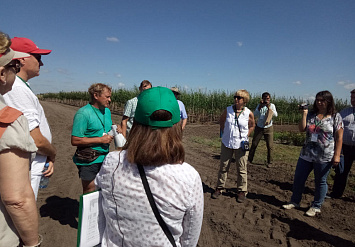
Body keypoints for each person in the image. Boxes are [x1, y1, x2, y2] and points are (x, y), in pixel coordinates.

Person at [95, 87, 204, 247]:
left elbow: (102, 208)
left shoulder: (113, 162)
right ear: (176, 126)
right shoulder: (188, 176)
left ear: (136, 123)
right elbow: (189, 239)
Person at [0, 32, 42, 247]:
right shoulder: (6, 119)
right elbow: (17, 199)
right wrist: (32, 243)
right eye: (13, 68)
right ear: (1, 73)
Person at [3, 37, 55, 200]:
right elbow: (35, 139)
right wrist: (52, 153)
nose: (41, 64)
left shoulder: (21, 86)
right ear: (23, 58)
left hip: (32, 163)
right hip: (27, 166)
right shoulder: (17, 89)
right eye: (38, 58)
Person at [283, 91, 343, 217]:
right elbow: (301, 129)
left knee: (320, 181)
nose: (319, 102)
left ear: (329, 101)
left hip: (324, 156)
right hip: (307, 153)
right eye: (317, 100)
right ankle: (295, 201)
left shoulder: (335, 116)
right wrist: (304, 114)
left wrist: (337, 155)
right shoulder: (311, 114)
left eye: (322, 100)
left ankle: (316, 206)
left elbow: (339, 137)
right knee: (299, 178)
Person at [71, 83, 117, 194]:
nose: (110, 100)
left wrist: (116, 128)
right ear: (96, 96)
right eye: (107, 97)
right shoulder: (83, 113)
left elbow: (104, 127)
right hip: (89, 159)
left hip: (105, 158)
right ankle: (85, 211)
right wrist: (100, 140)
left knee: (104, 189)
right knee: (90, 190)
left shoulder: (107, 111)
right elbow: (75, 140)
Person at [212, 90, 255, 203]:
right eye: (235, 97)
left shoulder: (248, 113)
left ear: (244, 100)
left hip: (240, 145)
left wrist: (246, 136)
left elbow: (252, 125)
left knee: (241, 168)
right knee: (223, 166)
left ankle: (242, 191)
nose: (236, 99)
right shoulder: (228, 110)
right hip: (227, 143)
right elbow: (222, 120)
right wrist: (224, 132)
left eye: (239, 98)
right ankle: (220, 188)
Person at [331, 89, 355, 198]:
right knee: (342, 171)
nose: (353, 100)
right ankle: (336, 194)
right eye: (352, 97)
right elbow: (335, 128)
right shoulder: (344, 112)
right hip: (345, 148)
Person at [248, 92, 278, 167]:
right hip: (259, 127)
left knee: (270, 145)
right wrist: (260, 107)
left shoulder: (272, 106)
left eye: (267, 98)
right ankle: (249, 159)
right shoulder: (259, 105)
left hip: (268, 128)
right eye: (265, 98)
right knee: (254, 144)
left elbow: (276, 115)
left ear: (269, 99)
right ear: (262, 98)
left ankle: (270, 162)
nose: (266, 100)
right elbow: (255, 115)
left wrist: (269, 108)